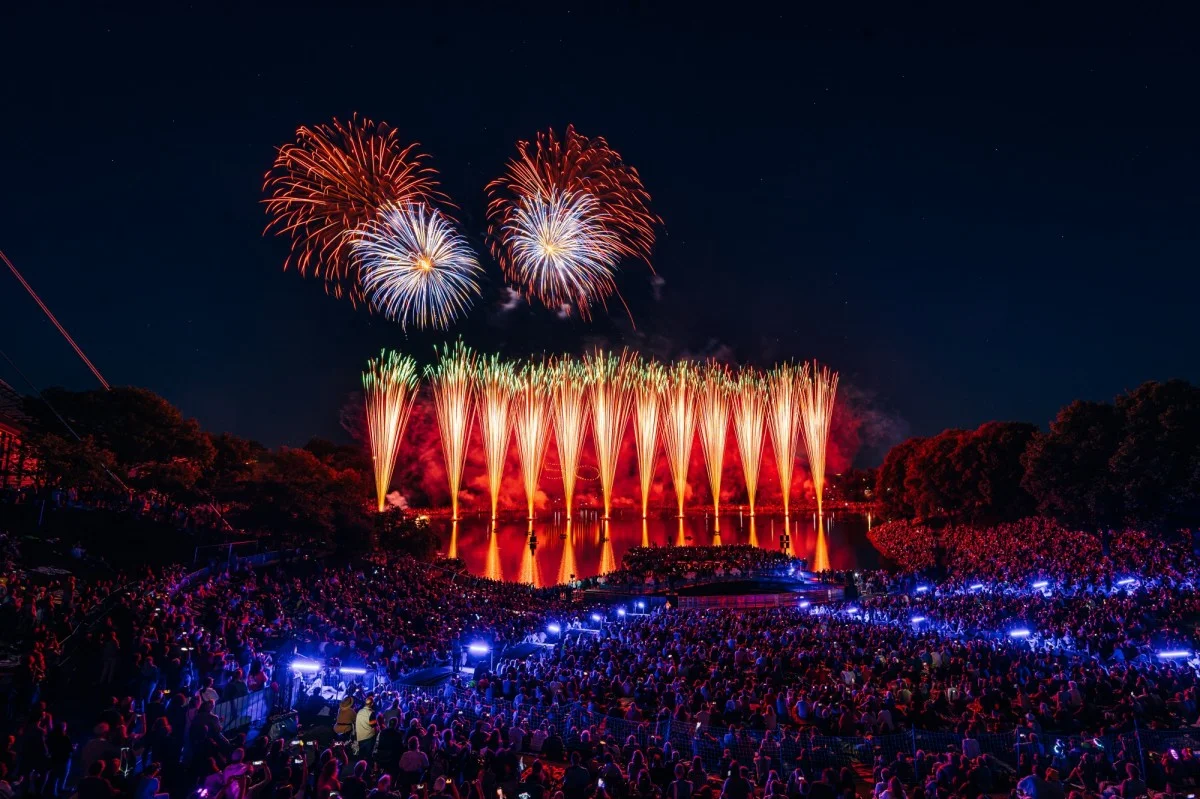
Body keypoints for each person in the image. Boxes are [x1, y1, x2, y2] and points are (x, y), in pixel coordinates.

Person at [356, 696, 379, 761]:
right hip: (368, 737)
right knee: (368, 756)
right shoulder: (371, 712)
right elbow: (373, 725)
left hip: (360, 735)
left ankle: (359, 767)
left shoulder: (359, 711)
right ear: (372, 704)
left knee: (360, 756)